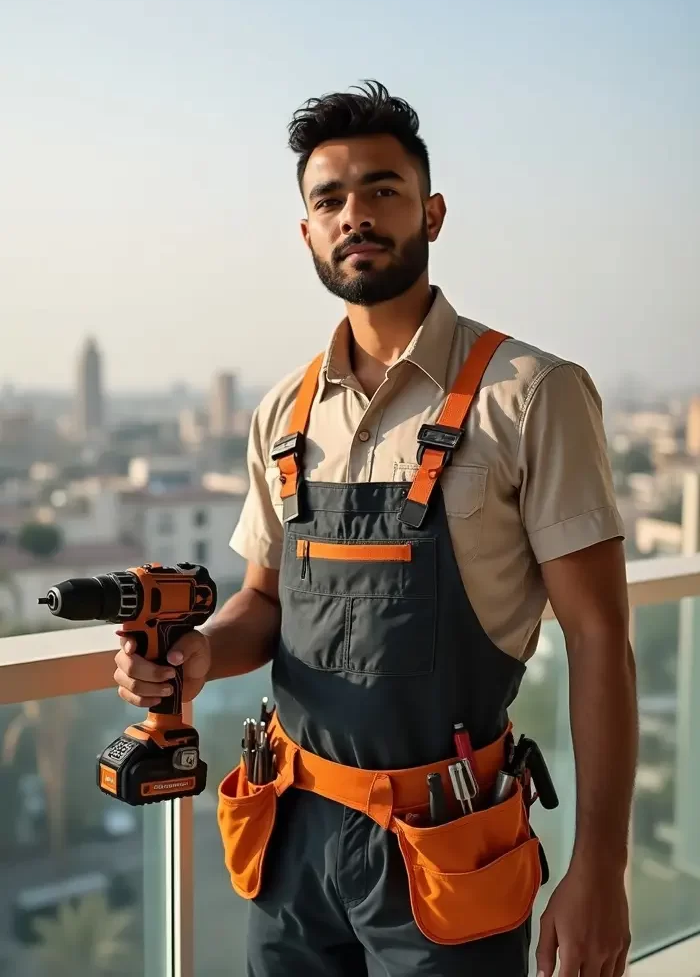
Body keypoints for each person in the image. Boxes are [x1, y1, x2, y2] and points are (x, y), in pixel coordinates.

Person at [113, 80, 637, 977]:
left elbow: (599, 639)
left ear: (432, 213)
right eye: (330, 200)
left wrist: (601, 868)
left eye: (382, 190)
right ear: (308, 233)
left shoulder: (532, 393)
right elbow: (264, 602)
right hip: (292, 838)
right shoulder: (283, 411)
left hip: (449, 846)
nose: (355, 214)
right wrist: (200, 654)